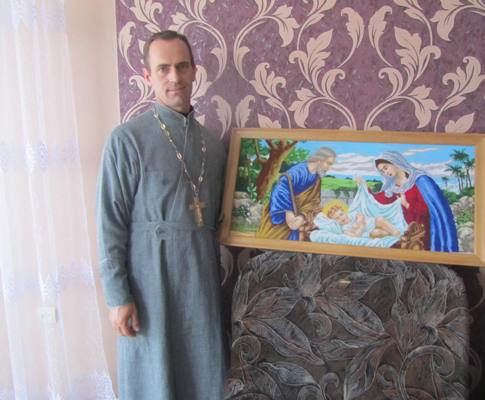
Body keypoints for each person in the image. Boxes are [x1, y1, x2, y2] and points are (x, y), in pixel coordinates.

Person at [96, 30, 227, 400]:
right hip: (148, 287)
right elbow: (110, 223)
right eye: (164, 68)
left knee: (203, 379)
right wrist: (117, 296)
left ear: (195, 70)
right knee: (152, 382)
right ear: (148, 76)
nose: (175, 77)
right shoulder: (126, 140)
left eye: (182, 66)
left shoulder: (213, 146)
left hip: (200, 284)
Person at [370, 151, 458, 252]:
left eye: (385, 168)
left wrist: (407, 205)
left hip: (418, 228)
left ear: (394, 161)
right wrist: (365, 190)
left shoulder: (421, 181)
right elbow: (382, 200)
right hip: (401, 225)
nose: (385, 173)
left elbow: (428, 210)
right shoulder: (391, 185)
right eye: (382, 171)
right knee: (374, 232)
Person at [257, 147, 336, 240]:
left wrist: (303, 216)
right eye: (328, 163)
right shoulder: (297, 172)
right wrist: (289, 214)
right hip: (284, 216)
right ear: (319, 160)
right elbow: (280, 189)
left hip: (299, 218)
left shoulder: (317, 178)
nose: (329, 168)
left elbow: (314, 201)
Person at [325, 202, 401, 238]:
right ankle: (391, 234)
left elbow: (360, 215)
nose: (341, 218)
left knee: (379, 219)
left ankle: (394, 231)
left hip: (371, 223)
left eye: (341, 214)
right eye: (337, 218)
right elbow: (355, 236)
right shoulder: (345, 228)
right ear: (335, 221)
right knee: (376, 232)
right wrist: (360, 228)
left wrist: (360, 221)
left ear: (345, 212)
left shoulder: (352, 214)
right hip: (367, 231)